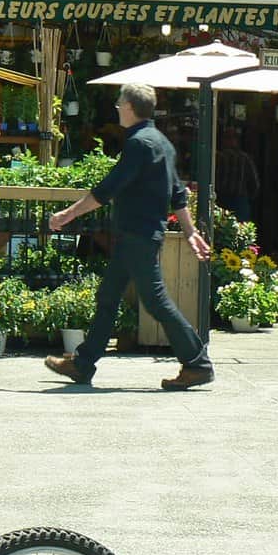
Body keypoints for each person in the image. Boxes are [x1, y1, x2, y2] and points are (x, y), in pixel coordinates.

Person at [45, 82, 215, 391]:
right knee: (108, 296)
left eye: (119, 104)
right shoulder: (162, 142)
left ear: (129, 108)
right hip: (136, 236)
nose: (118, 109)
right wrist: (189, 232)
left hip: (138, 235)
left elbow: (108, 189)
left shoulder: (139, 144)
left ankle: (197, 363)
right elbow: (178, 193)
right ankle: (82, 365)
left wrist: (66, 215)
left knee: (156, 301)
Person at [215, 126, 259, 221]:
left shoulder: (218, 158)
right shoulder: (246, 159)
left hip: (222, 199)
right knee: (241, 231)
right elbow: (254, 184)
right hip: (240, 201)